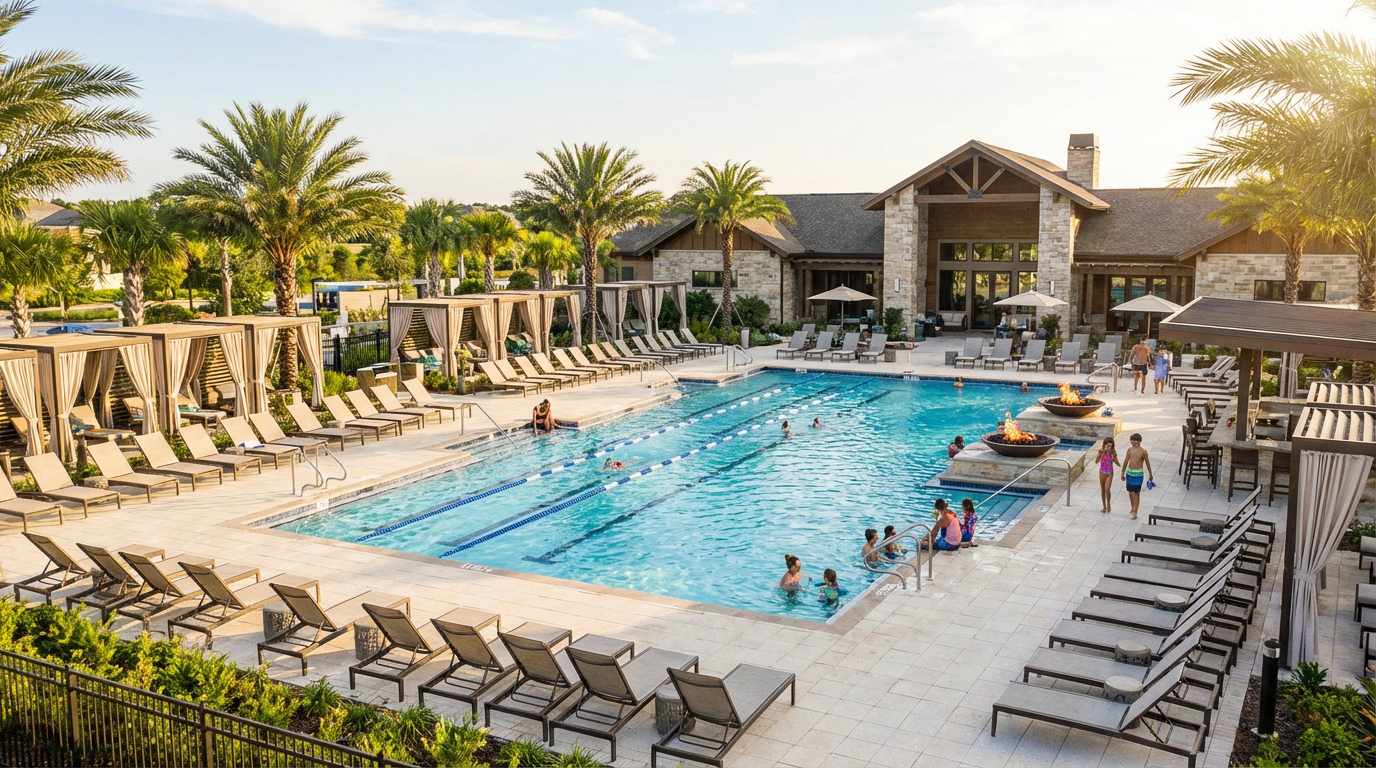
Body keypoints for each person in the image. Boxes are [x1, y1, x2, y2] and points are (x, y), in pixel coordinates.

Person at [1122, 433, 1154, 520]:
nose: (1134, 445)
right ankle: (1132, 507)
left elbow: (1148, 464)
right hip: (1129, 473)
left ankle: (1135, 510)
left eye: (1135, 443)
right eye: (1132, 443)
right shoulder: (1129, 450)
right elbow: (1125, 462)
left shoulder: (1143, 452)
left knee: (1136, 492)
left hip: (1138, 474)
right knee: (1130, 491)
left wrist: (1150, 475)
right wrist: (1122, 472)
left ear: (1139, 442)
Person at [1095, 437, 1119, 514]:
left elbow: (1116, 462)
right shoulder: (1101, 451)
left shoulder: (1113, 453)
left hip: (1109, 472)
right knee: (1102, 489)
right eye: (1107, 445)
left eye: (1110, 446)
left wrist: (1114, 458)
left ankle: (1108, 504)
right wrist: (1100, 454)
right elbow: (1096, 461)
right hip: (1102, 471)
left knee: (1107, 489)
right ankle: (1104, 506)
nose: (1108, 447)